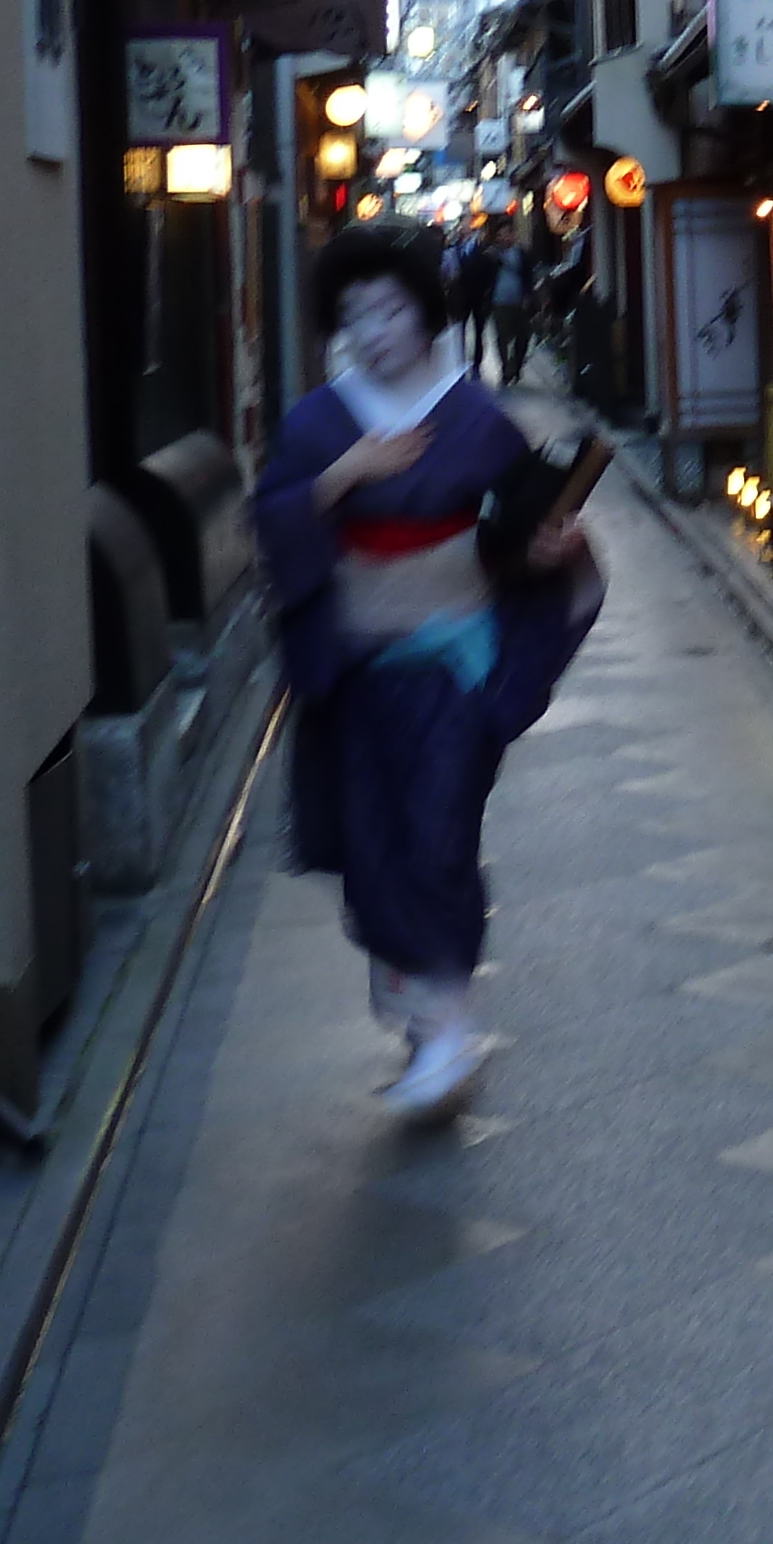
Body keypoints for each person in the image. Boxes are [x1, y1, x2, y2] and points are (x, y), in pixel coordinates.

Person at [253, 226, 603, 1117]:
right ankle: (423, 1017)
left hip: (455, 663)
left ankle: (449, 1023)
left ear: (427, 313)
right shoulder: (317, 421)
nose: (374, 330)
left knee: (438, 833)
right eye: (356, 313)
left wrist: (550, 543)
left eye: (392, 310)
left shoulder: (476, 419)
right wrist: (343, 476)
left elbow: (520, 534)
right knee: (372, 849)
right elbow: (275, 524)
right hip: (357, 670)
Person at [489, 218, 536, 386]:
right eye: (500, 235)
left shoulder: (522, 254)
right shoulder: (492, 255)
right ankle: (505, 369)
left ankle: (516, 365)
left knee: (523, 337)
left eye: (506, 234)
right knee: (502, 338)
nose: (503, 238)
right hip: (499, 302)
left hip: (519, 302)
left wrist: (528, 296)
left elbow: (530, 276)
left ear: (513, 235)